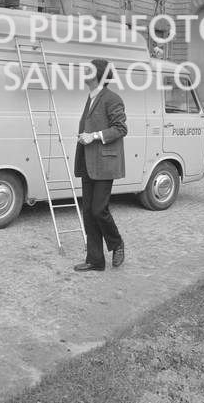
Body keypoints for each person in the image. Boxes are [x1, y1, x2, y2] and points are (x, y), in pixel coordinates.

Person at [73, 59, 126, 272]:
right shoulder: (91, 97)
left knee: (98, 210)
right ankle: (95, 260)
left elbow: (120, 128)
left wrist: (93, 136)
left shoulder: (112, 99)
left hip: (105, 163)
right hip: (88, 162)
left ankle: (116, 243)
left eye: (89, 70)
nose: (84, 72)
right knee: (88, 211)